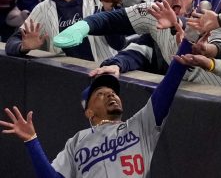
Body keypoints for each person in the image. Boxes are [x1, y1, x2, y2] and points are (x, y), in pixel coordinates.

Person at [0, 22, 189, 177]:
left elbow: (168, 87)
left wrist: (189, 40)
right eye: (100, 94)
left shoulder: (141, 125)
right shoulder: (77, 142)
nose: (111, 94)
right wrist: (31, 141)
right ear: (89, 111)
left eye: (113, 92)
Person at [53, 0, 221, 90]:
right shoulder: (156, 15)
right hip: (191, 99)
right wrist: (84, 26)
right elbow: (131, 40)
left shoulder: (214, 14)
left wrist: (181, 25)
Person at [5, 0, 123, 62]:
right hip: (65, 79)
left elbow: (119, 44)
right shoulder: (42, 9)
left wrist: (108, 12)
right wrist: (23, 47)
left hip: (101, 77)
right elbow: (12, 43)